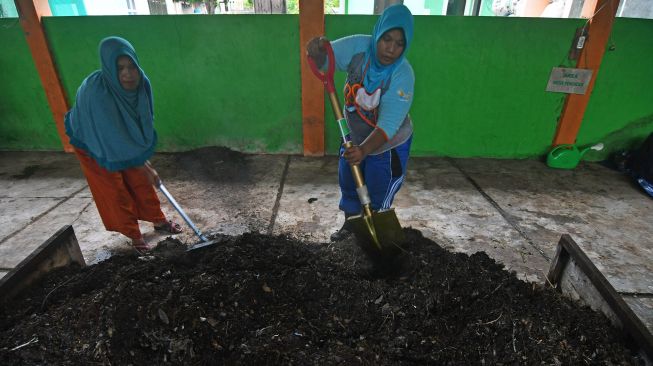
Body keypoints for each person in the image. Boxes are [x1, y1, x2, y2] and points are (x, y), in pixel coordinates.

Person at [307, 4, 415, 241]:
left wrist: (365, 150)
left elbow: (388, 124)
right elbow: (326, 61)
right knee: (349, 184)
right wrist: (317, 51)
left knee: (378, 189)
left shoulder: (402, 74)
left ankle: (377, 238)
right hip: (353, 137)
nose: (391, 49)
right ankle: (352, 228)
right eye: (387, 39)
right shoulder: (359, 47)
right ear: (378, 33)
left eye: (399, 44)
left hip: (388, 145)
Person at [64, 36, 182, 253]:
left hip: (118, 136)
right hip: (93, 141)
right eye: (120, 68)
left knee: (140, 179)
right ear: (110, 68)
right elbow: (111, 139)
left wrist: (142, 162)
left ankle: (158, 220)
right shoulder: (96, 94)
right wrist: (145, 166)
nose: (128, 74)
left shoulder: (141, 84)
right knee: (115, 186)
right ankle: (134, 234)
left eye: (132, 66)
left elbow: (142, 122)